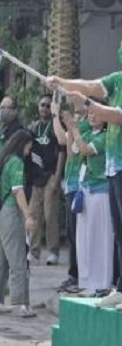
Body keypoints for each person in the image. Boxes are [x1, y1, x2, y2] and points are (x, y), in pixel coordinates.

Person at [48, 61, 122, 296]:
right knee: (111, 234)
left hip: (112, 175)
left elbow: (116, 115)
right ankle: (108, 287)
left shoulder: (98, 132)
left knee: (108, 236)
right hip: (109, 171)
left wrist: (86, 105)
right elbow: (90, 85)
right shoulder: (117, 80)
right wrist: (61, 83)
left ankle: (107, 283)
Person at [0, 128, 37, 318]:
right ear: (23, 144)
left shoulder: (1, 159)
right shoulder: (16, 162)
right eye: (29, 146)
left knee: (2, 259)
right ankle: (21, 303)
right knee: (18, 260)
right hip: (9, 212)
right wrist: (28, 216)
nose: (29, 151)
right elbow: (18, 191)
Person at [66, 111, 113, 292]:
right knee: (83, 238)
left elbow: (85, 149)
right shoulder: (85, 134)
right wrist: (72, 131)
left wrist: (74, 130)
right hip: (84, 191)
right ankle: (86, 282)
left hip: (100, 191)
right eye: (90, 113)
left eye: (97, 113)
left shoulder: (105, 137)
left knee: (99, 237)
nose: (92, 117)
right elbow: (73, 152)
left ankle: (102, 282)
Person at [52, 99, 89, 291]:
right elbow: (62, 139)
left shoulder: (85, 125)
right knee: (72, 233)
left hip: (81, 186)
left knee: (78, 234)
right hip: (71, 184)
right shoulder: (76, 123)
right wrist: (54, 115)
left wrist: (71, 125)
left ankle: (79, 275)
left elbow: (72, 147)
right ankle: (74, 274)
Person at [29, 93, 64, 265]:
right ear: (38, 107)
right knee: (34, 216)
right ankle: (34, 252)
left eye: (48, 105)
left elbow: (61, 152)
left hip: (50, 175)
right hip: (36, 178)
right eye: (42, 105)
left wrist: (57, 177)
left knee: (50, 215)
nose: (44, 108)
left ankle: (53, 251)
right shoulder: (33, 128)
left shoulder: (55, 127)